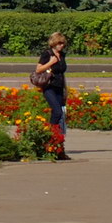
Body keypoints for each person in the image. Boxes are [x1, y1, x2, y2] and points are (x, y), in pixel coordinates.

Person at [31, 31, 69, 159]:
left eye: (63, 43)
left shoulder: (62, 55)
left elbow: (62, 72)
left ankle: (57, 144)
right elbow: (38, 69)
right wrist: (51, 62)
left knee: (60, 115)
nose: (61, 46)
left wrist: (65, 89)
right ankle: (50, 135)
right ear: (54, 43)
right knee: (57, 112)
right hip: (49, 87)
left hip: (59, 87)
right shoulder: (47, 54)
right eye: (59, 43)